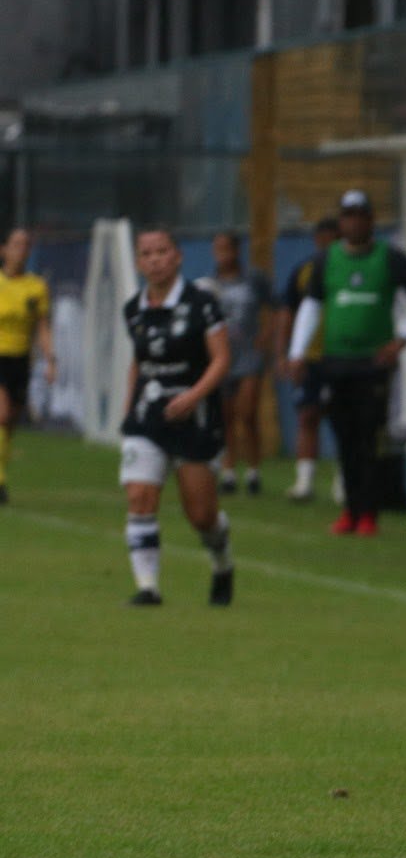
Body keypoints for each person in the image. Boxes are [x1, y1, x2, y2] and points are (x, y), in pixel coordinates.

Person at [288, 190, 406, 536]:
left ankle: (368, 513)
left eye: (359, 215)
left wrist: (401, 339)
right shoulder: (327, 261)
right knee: (344, 435)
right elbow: (310, 306)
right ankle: (349, 510)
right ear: (341, 222)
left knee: (370, 437)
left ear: (370, 221)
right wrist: (297, 352)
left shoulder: (390, 258)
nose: (353, 222)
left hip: (372, 363)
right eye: (347, 215)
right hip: (335, 361)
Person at [119, 228, 236, 607]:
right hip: (147, 415)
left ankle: (222, 564)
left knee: (201, 515)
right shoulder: (133, 308)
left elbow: (221, 359)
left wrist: (194, 395)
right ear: (138, 262)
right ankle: (148, 587)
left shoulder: (202, 302)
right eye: (146, 253)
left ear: (178, 256)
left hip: (195, 416)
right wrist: (128, 410)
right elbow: (140, 361)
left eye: (161, 252)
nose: (154, 260)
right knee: (139, 496)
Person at [200, 230, 274, 496]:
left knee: (247, 412)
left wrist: (266, 334)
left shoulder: (253, 279)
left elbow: (274, 307)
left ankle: (254, 470)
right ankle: (229, 471)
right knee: (226, 416)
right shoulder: (210, 283)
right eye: (217, 248)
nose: (222, 254)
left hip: (249, 354)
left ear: (236, 250)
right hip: (223, 357)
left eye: (226, 248)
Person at [277, 216, 339, 502]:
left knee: (343, 418)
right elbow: (288, 312)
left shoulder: (348, 268)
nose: (327, 246)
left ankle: (344, 481)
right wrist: (287, 353)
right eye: (323, 240)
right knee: (307, 415)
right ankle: (305, 481)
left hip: (341, 355)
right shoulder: (303, 271)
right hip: (310, 357)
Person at [0, 228, 55, 505]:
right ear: (4, 249)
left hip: (21, 360)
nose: (21, 249)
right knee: (1, 412)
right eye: (16, 244)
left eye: (26, 244)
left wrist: (50, 359)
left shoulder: (36, 287)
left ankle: (1, 472)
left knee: (9, 422)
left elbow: (42, 326)